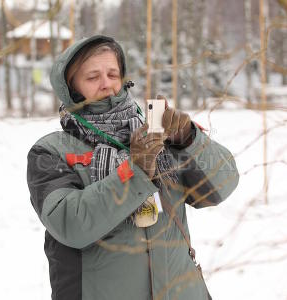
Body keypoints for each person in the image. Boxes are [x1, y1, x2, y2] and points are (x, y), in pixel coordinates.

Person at [27, 35, 239, 300]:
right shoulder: (51, 151)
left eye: (112, 74)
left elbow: (221, 186)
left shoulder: (154, 133)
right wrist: (135, 172)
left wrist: (189, 138)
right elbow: (71, 224)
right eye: (93, 77)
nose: (106, 84)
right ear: (71, 88)